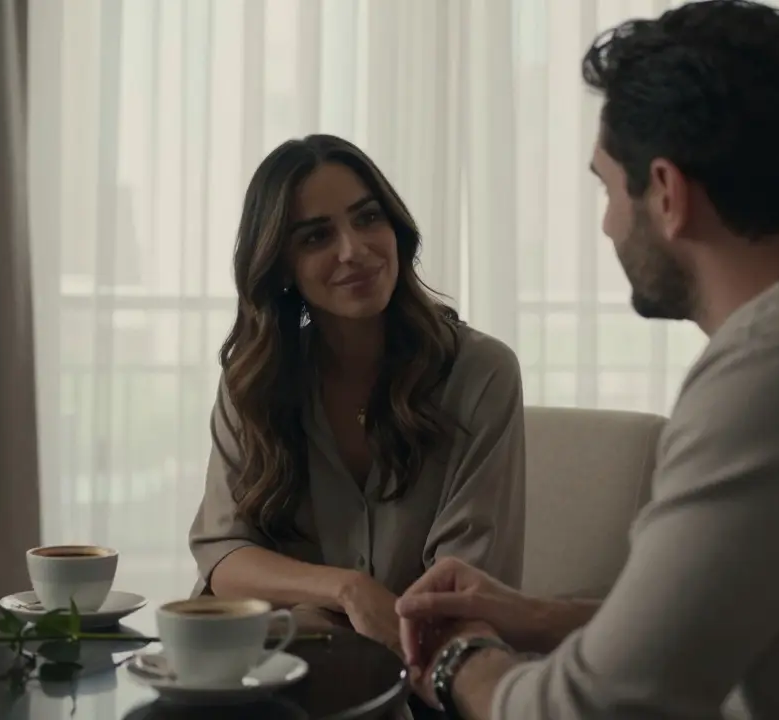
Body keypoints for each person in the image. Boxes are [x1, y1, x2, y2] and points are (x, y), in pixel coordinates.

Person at [394, 1, 779, 719]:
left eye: (608, 188)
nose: (610, 222)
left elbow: (594, 709)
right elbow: (723, 621)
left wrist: (463, 661)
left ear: (669, 195)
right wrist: (537, 616)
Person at [188, 133, 526, 659]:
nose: (353, 251)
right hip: (271, 666)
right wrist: (346, 589)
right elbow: (225, 554)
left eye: (368, 218)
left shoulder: (481, 374)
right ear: (282, 267)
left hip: (430, 667)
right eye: (315, 237)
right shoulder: (252, 382)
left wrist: (330, 617)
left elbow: (464, 582)